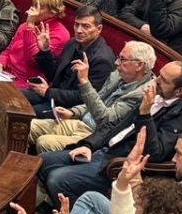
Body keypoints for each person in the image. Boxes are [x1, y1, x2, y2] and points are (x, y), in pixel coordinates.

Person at [39, 59, 182, 207]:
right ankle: (55, 211)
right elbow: (115, 124)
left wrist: (145, 114)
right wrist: (89, 145)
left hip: (119, 164)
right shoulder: (158, 94)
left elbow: (155, 153)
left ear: (179, 91)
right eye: (159, 75)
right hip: (105, 150)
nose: (156, 80)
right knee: (43, 161)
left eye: (163, 80)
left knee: (57, 179)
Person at [27, 40, 155, 155]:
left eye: (122, 59)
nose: (116, 63)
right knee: (26, 126)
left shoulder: (142, 94)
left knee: (44, 142)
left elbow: (106, 120)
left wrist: (84, 81)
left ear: (139, 65)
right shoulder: (118, 75)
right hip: (81, 122)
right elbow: (98, 99)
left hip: (94, 135)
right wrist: (73, 112)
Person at [24, 5, 115, 117]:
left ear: (99, 29)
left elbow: (85, 98)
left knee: (26, 111)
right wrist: (45, 50)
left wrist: (48, 92)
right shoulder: (73, 43)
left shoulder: (102, 60)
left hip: (69, 108)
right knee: (15, 96)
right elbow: (54, 75)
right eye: (77, 24)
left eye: (86, 26)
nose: (79, 30)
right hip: (53, 95)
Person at [0, 0, 70, 85]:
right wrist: (0, 63)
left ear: (53, 12)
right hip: (5, 73)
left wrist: (30, 25)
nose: (33, 10)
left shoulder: (60, 34)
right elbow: (8, 50)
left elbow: (32, 61)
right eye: (34, 5)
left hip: (28, 83)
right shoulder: (24, 26)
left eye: (39, 7)